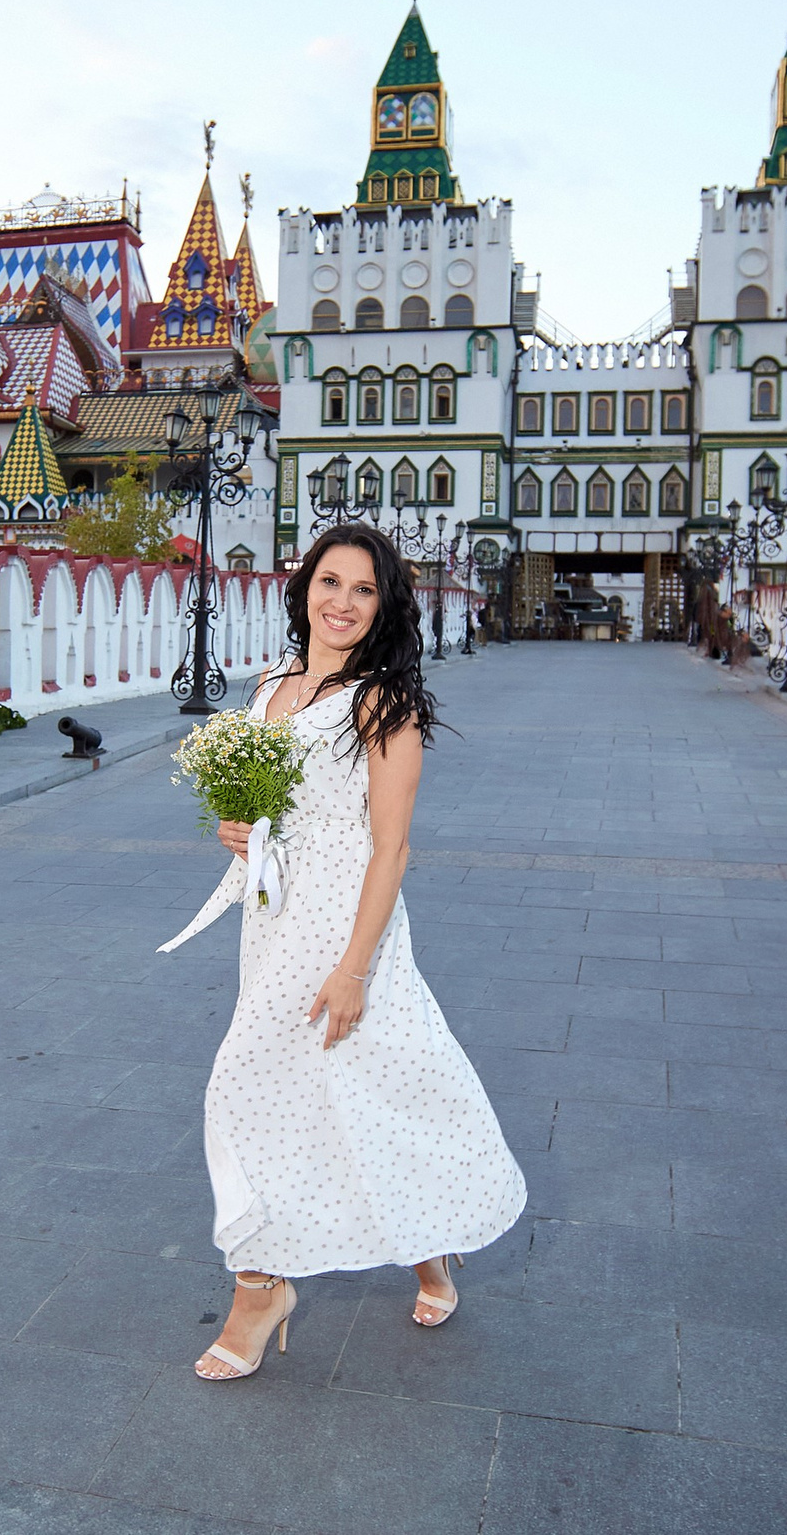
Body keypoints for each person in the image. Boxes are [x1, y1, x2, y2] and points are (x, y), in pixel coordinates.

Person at [159, 522, 527, 1381]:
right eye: (331, 581)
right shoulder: (269, 687)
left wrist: (355, 968)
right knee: (342, 1090)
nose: (344, 602)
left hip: (349, 923)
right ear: (304, 588)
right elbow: (262, 810)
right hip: (275, 917)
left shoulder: (383, 702)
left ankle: (261, 1291)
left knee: (295, 1081)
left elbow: (391, 847)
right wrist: (236, 829)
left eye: (365, 589)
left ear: (385, 604)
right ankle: (419, 1247)